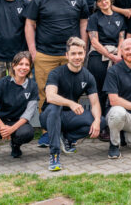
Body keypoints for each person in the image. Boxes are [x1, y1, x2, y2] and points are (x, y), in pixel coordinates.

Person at [24, 0, 89, 118]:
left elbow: (84, 22)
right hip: (45, 54)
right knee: (45, 91)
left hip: (70, 55)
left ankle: (69, 125)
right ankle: (48, 128)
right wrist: (33, 51)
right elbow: (29, 24)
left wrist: (82, 48)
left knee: (72, 90)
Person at [40, 37, 105, 171]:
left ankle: (67, 138)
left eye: (80, 53)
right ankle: (54, 154)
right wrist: (71, 103)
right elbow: (50, 96)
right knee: (54, 107)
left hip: (68, 117)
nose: (77, 57)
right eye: (73, 54)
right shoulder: (56, 73)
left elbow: (95, 103)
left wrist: (97, 120)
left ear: (84, 54)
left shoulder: (87, 76)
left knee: (101, 121)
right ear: (67, 55)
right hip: (49, 116)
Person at [86, 0, 126, 138]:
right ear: (97, 3)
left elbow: (121, 39)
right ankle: (102, 125)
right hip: (99, 57)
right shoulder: (94, 18)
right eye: (99, 0)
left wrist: (118, 57)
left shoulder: (119, 18)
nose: (103, 2)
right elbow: (94, 41)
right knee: (100, 93)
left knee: (115, 92)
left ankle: (115, 125)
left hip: (117, 56)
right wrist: (110, 55)